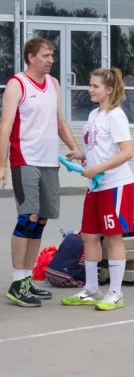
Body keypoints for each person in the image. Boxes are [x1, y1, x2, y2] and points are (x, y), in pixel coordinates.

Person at [1, 38, 80, 307]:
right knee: (28, 217)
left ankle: (26, 281)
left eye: (52, 56)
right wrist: (2, 164)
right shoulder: (17, 84)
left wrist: (76, 149)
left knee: (41, 220)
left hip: (49, 162)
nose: (51, 60)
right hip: (25, 160)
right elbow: (5, 126)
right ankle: (17, 281)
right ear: (31, 57)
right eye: (46, 55)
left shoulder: (54, 84)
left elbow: (59, 122)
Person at [61, 68, 134, 311]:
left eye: (95, 86)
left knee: (113, 238)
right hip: (95, 186)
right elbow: (97, 146)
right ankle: (91, 288)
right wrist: (80, 154)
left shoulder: (116, 116)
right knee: (88, 236)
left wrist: (97, 168)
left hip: (115, 185)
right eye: (90, 85)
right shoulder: (94, 114)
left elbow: (127, 152)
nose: (90, 90)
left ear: (109, 90)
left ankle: (116, 293)